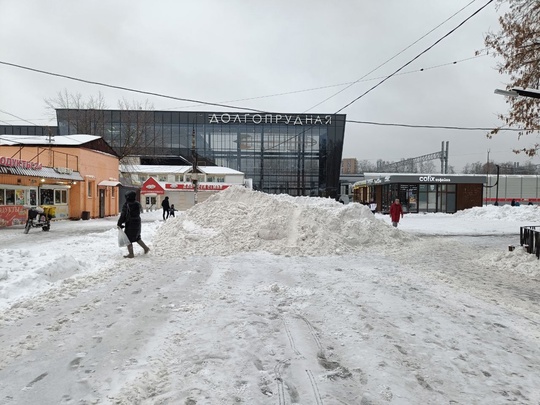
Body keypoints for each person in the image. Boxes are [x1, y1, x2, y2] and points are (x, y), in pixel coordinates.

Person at [117, 191, 150, 258]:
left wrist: (119, 223)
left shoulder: (127, 204)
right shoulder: (137, 204)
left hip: (130, 223)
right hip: (137, 221)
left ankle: (131, 254)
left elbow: (123, 215)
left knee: (128, 239)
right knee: (137, 237)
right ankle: (146, 248)